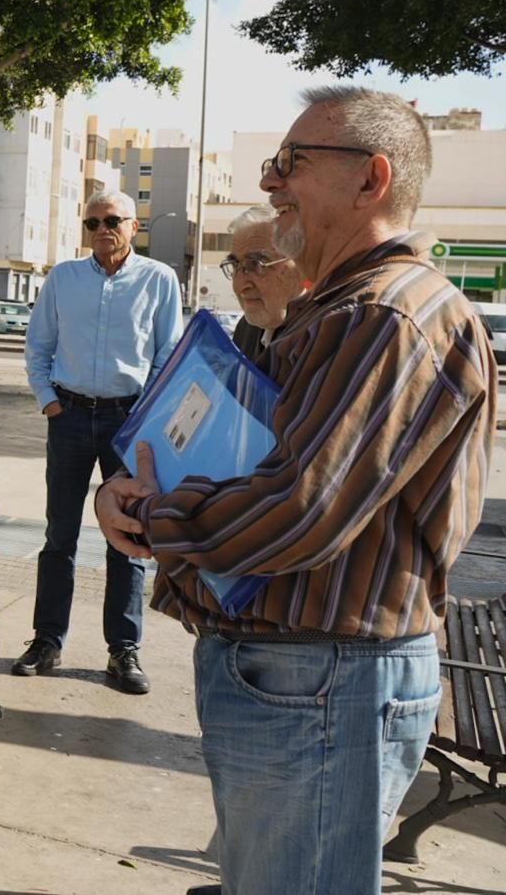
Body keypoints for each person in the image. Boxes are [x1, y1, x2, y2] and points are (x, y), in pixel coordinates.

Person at [96, 87, 497, 895]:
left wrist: (152, 513)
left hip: (322, 681)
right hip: (300, 677)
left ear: (370, 178)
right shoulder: (340, 310)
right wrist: (126, 495)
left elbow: (301, 505)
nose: (273, 183)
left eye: (291, 163)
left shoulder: (386, 316)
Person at [21, 190, 182, 694]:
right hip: (69, 416)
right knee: (59, 536)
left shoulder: (159, 279)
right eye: (92, 222)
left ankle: (124, 651)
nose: (101, 230)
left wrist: (145, 418)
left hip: (128, 422)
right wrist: (49, 399)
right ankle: (47, 639)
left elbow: (168, 353)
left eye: (112, 220)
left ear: (134, 227)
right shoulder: (63, 279)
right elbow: (38, 344)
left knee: (129, 539)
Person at [221, 204, 306, 363]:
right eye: (235, 266)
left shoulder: (322, 334)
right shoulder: (247, 329)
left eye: (256, 265)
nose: (239, 285)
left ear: (299, 264)